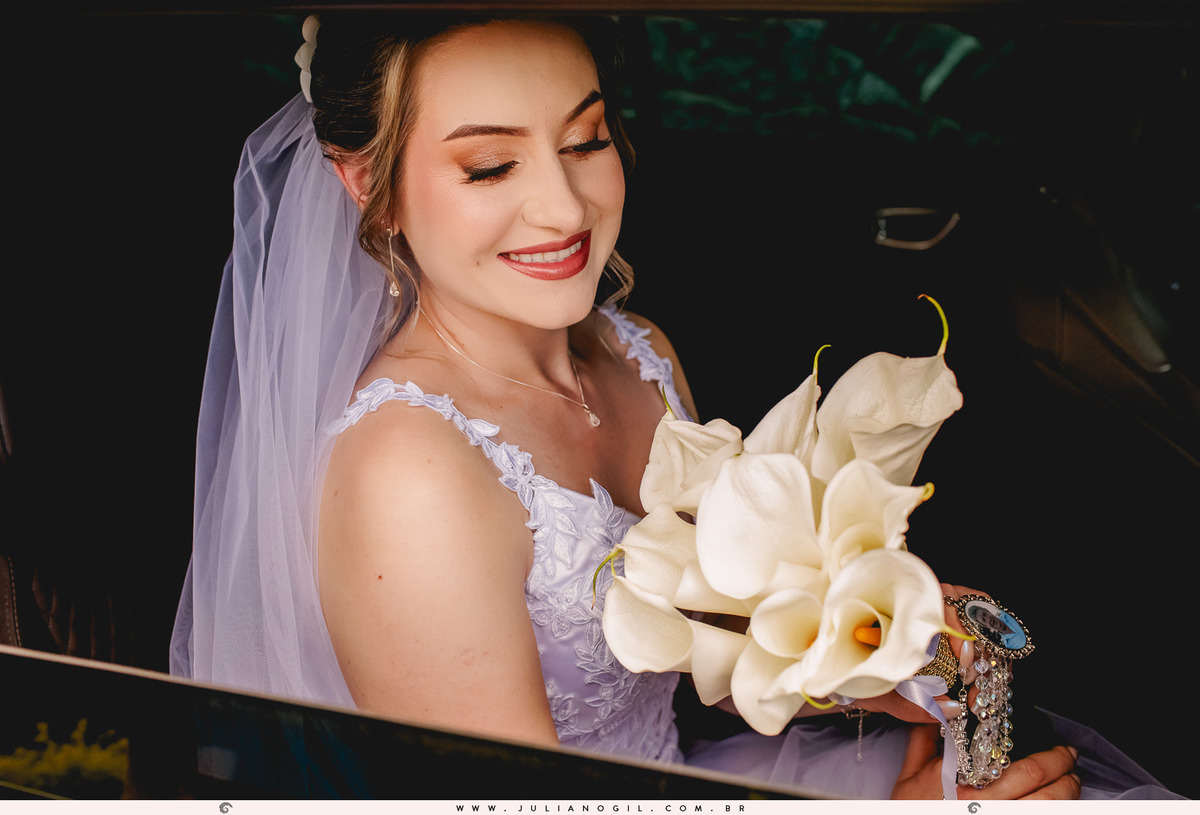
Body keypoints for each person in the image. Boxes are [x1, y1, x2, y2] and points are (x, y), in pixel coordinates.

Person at [169, 13, 1165, 801]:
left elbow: (714, 630)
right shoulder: (408, 472)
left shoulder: (636, 351)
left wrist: (878, 647)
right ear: (368, 188)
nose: (564, 208)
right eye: (490, 165)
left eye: (586, 139)